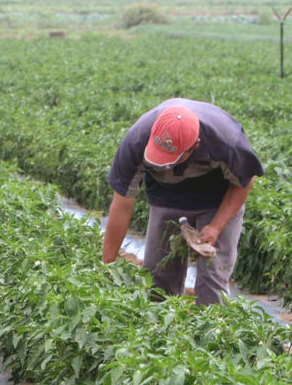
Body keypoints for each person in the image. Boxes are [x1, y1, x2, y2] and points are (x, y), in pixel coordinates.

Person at [102, 98, 264, 305]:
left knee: (212, 279)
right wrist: (107, 267)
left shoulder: (226, 141)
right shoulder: (136, 140)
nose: (166, 165)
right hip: (165, 193)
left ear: (195, 146)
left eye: (170, 158)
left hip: (217, 196)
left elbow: (244, 181)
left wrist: (216, 226)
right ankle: (161, 331)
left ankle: (213, 332)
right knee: (158, 277)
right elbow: (122, 205)